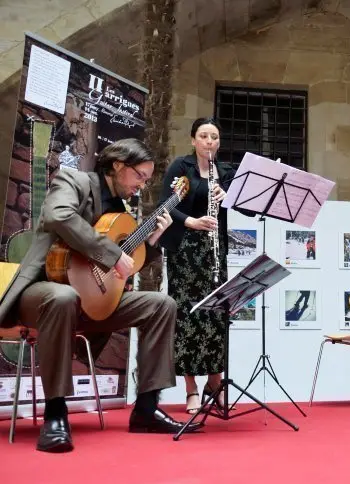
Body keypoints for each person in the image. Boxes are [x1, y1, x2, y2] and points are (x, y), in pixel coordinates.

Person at [0, 138, 200, 453]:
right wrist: (110, 253)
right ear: (119, 165)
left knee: (161, 304)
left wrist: (153, 242)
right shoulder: (75, 181)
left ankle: (147, 409)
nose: (142, 186)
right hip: (42, 292)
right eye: (140, 176)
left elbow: (125, 265)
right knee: (63, 296)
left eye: (147, 180)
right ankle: (56, 412)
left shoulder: (122, 210)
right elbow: (59, 216)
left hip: (92, 301)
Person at [160, 117, 234, 414]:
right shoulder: (182, 167)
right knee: (188, 316)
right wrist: (191, 221)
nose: (209, 142)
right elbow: (165, 204)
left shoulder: (225, 172)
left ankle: (215, 384)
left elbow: (245, 205)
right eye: (203, 136)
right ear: (193, 140)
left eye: (214, 137)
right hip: (186, 250)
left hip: (216, 252)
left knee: (216, 316)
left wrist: (228, 196)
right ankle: (190, 388)